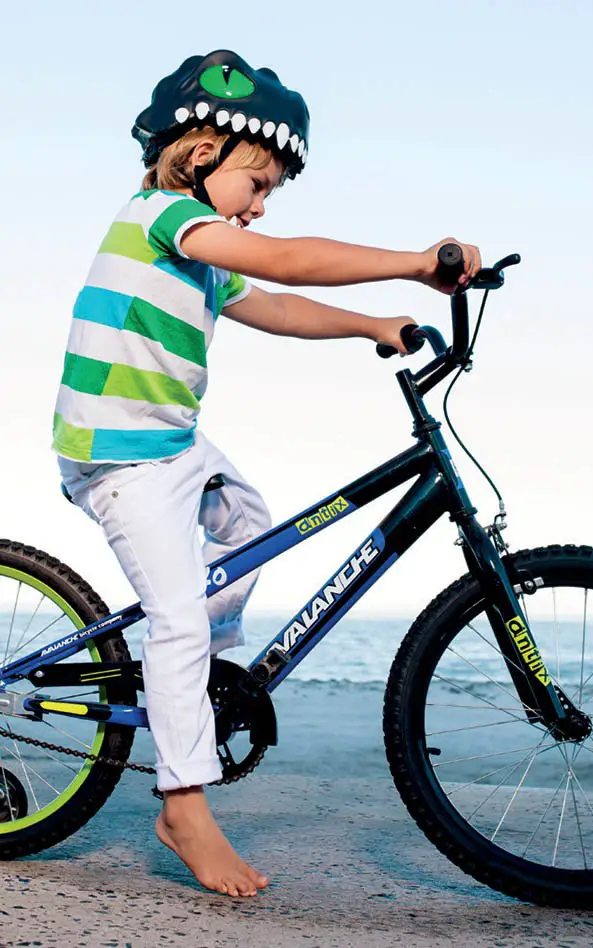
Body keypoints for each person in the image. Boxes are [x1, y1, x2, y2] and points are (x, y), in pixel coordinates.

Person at [52, 49, 481, 898]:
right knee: (174, 617)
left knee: (252, 529)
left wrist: (372, 324)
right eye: (258, 183)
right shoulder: (162, 219)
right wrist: (409, 261)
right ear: (204, 154)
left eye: (270, 194)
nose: (260, 205)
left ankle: (193, 685)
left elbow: (279, 304)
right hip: (116, 454)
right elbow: (285, 262)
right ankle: (183, 802)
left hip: (172, 444)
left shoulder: (206, 257)